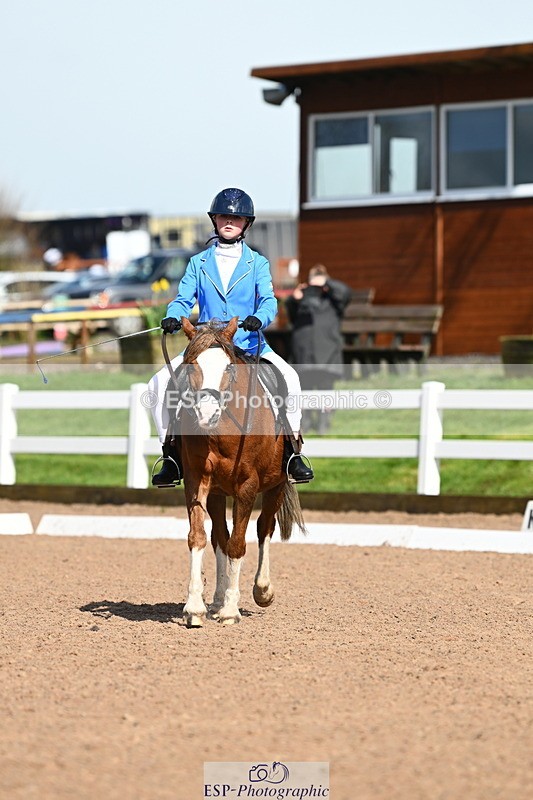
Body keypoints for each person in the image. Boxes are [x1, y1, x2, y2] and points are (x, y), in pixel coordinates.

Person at [149, 187, 314, 486]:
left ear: (246, 224)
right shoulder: (198, 263)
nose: (229, 221)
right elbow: (184, 298)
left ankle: (292, 453)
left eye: (236, 218)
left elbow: (269, 301)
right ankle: (170, 456)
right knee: (158, 383)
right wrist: (174, 314)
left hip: (248, 343)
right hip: (208, 346)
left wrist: (258, 318)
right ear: (215, 220)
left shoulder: (258, 263)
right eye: (224, 215)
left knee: (290, 378)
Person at [285, 264, 352, 433]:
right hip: (304, 353)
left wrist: (326, 283)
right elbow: (291, 315)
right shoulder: (302, 301)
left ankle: (324, 422)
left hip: (327, 353)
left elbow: (346, 292)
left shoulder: (334, 300)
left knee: (325, 389)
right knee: (304, 389)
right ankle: (305, 421)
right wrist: (295, 298)